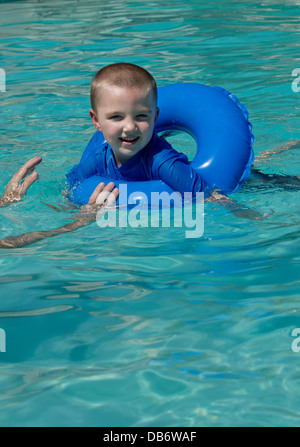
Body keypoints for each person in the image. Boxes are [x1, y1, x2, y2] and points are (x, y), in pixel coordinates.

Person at [1, 63, 284, 249]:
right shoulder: (99, 155)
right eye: (115, 117)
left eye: (141, 116)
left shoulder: (162, 161)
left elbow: (208, 193)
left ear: (156, 116)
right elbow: (72, 184)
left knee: (266, 179)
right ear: (96, 121)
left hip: (220, 180)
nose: (129, 127)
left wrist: (249, 216)